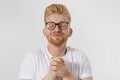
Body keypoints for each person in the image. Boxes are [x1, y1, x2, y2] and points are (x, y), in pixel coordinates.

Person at [18, 3, 93, 80]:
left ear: (70, 32)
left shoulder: (81, 57)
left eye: (63, 25)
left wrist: (65, 74)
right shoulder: (32, 59)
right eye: (51, 25)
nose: (57, 29)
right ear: (44, 32)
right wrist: (51, 75)